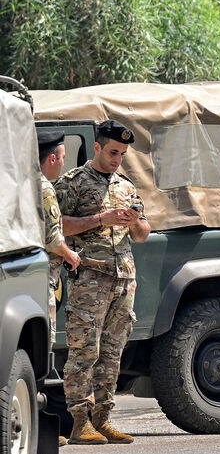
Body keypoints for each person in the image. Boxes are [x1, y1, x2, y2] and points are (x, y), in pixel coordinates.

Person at [54, 120, 150, 444]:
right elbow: (57, 227)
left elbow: (144, 234)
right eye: (112, 152)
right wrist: (101, 219)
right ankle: (80, 422)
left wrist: (135, 221)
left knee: (112, 352)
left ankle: (103, 419)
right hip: (90, 280)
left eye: (122, 154)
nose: (117, 159)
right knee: (84, 352)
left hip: (124, 280)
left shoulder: (126, 185)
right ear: (96, 148)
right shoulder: (74, 182)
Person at [37, 130, 81, 448]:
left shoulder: (18, 183)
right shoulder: (45, 189)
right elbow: (53, 238)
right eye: (63, 159)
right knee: (42, 357)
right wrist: (71, 255)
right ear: (52, 158)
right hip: (41, 282)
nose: (63, 166)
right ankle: (44, 430)